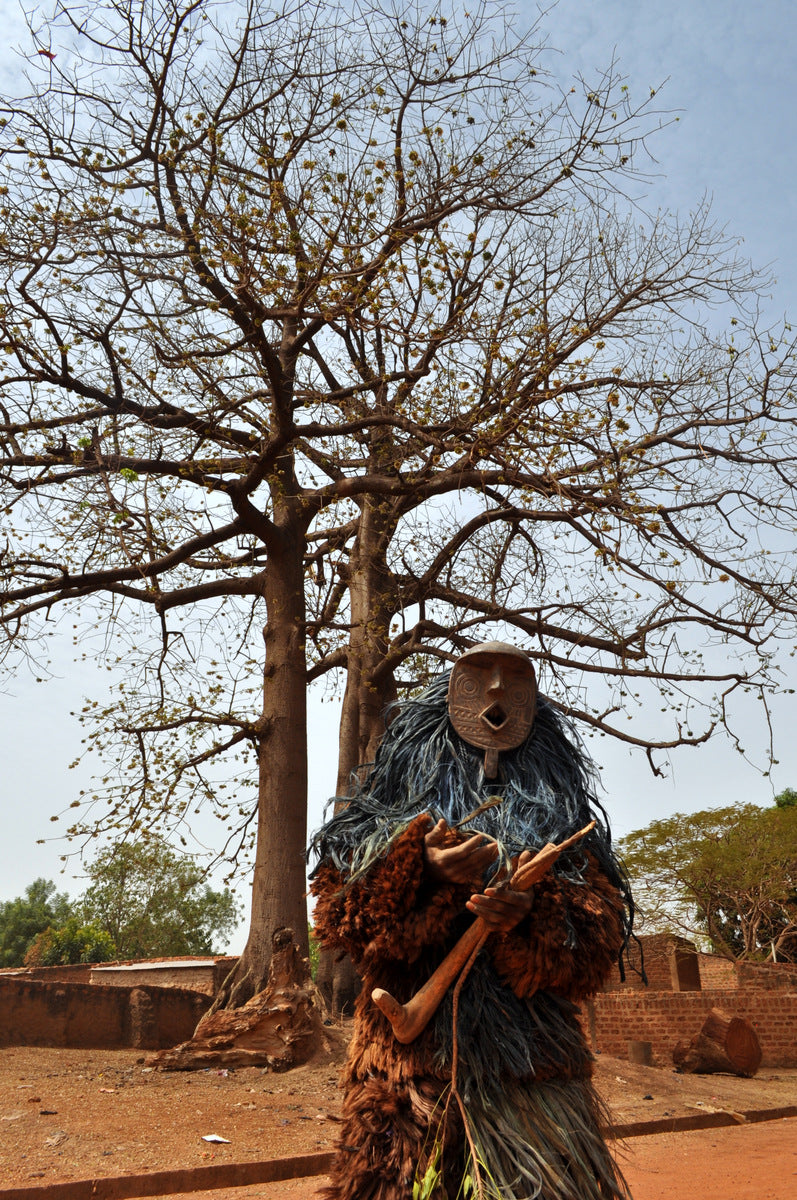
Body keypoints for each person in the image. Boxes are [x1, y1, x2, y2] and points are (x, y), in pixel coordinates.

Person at [309, 642, 636, 1200]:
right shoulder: (384, 811)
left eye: (514, 679)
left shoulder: (561, 815)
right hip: (411, 1071)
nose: (495, 692)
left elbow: (596, 938)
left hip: (534, 1064)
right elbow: (339, 916)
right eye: (479, 676)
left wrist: (536, 913)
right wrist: (418, 869)